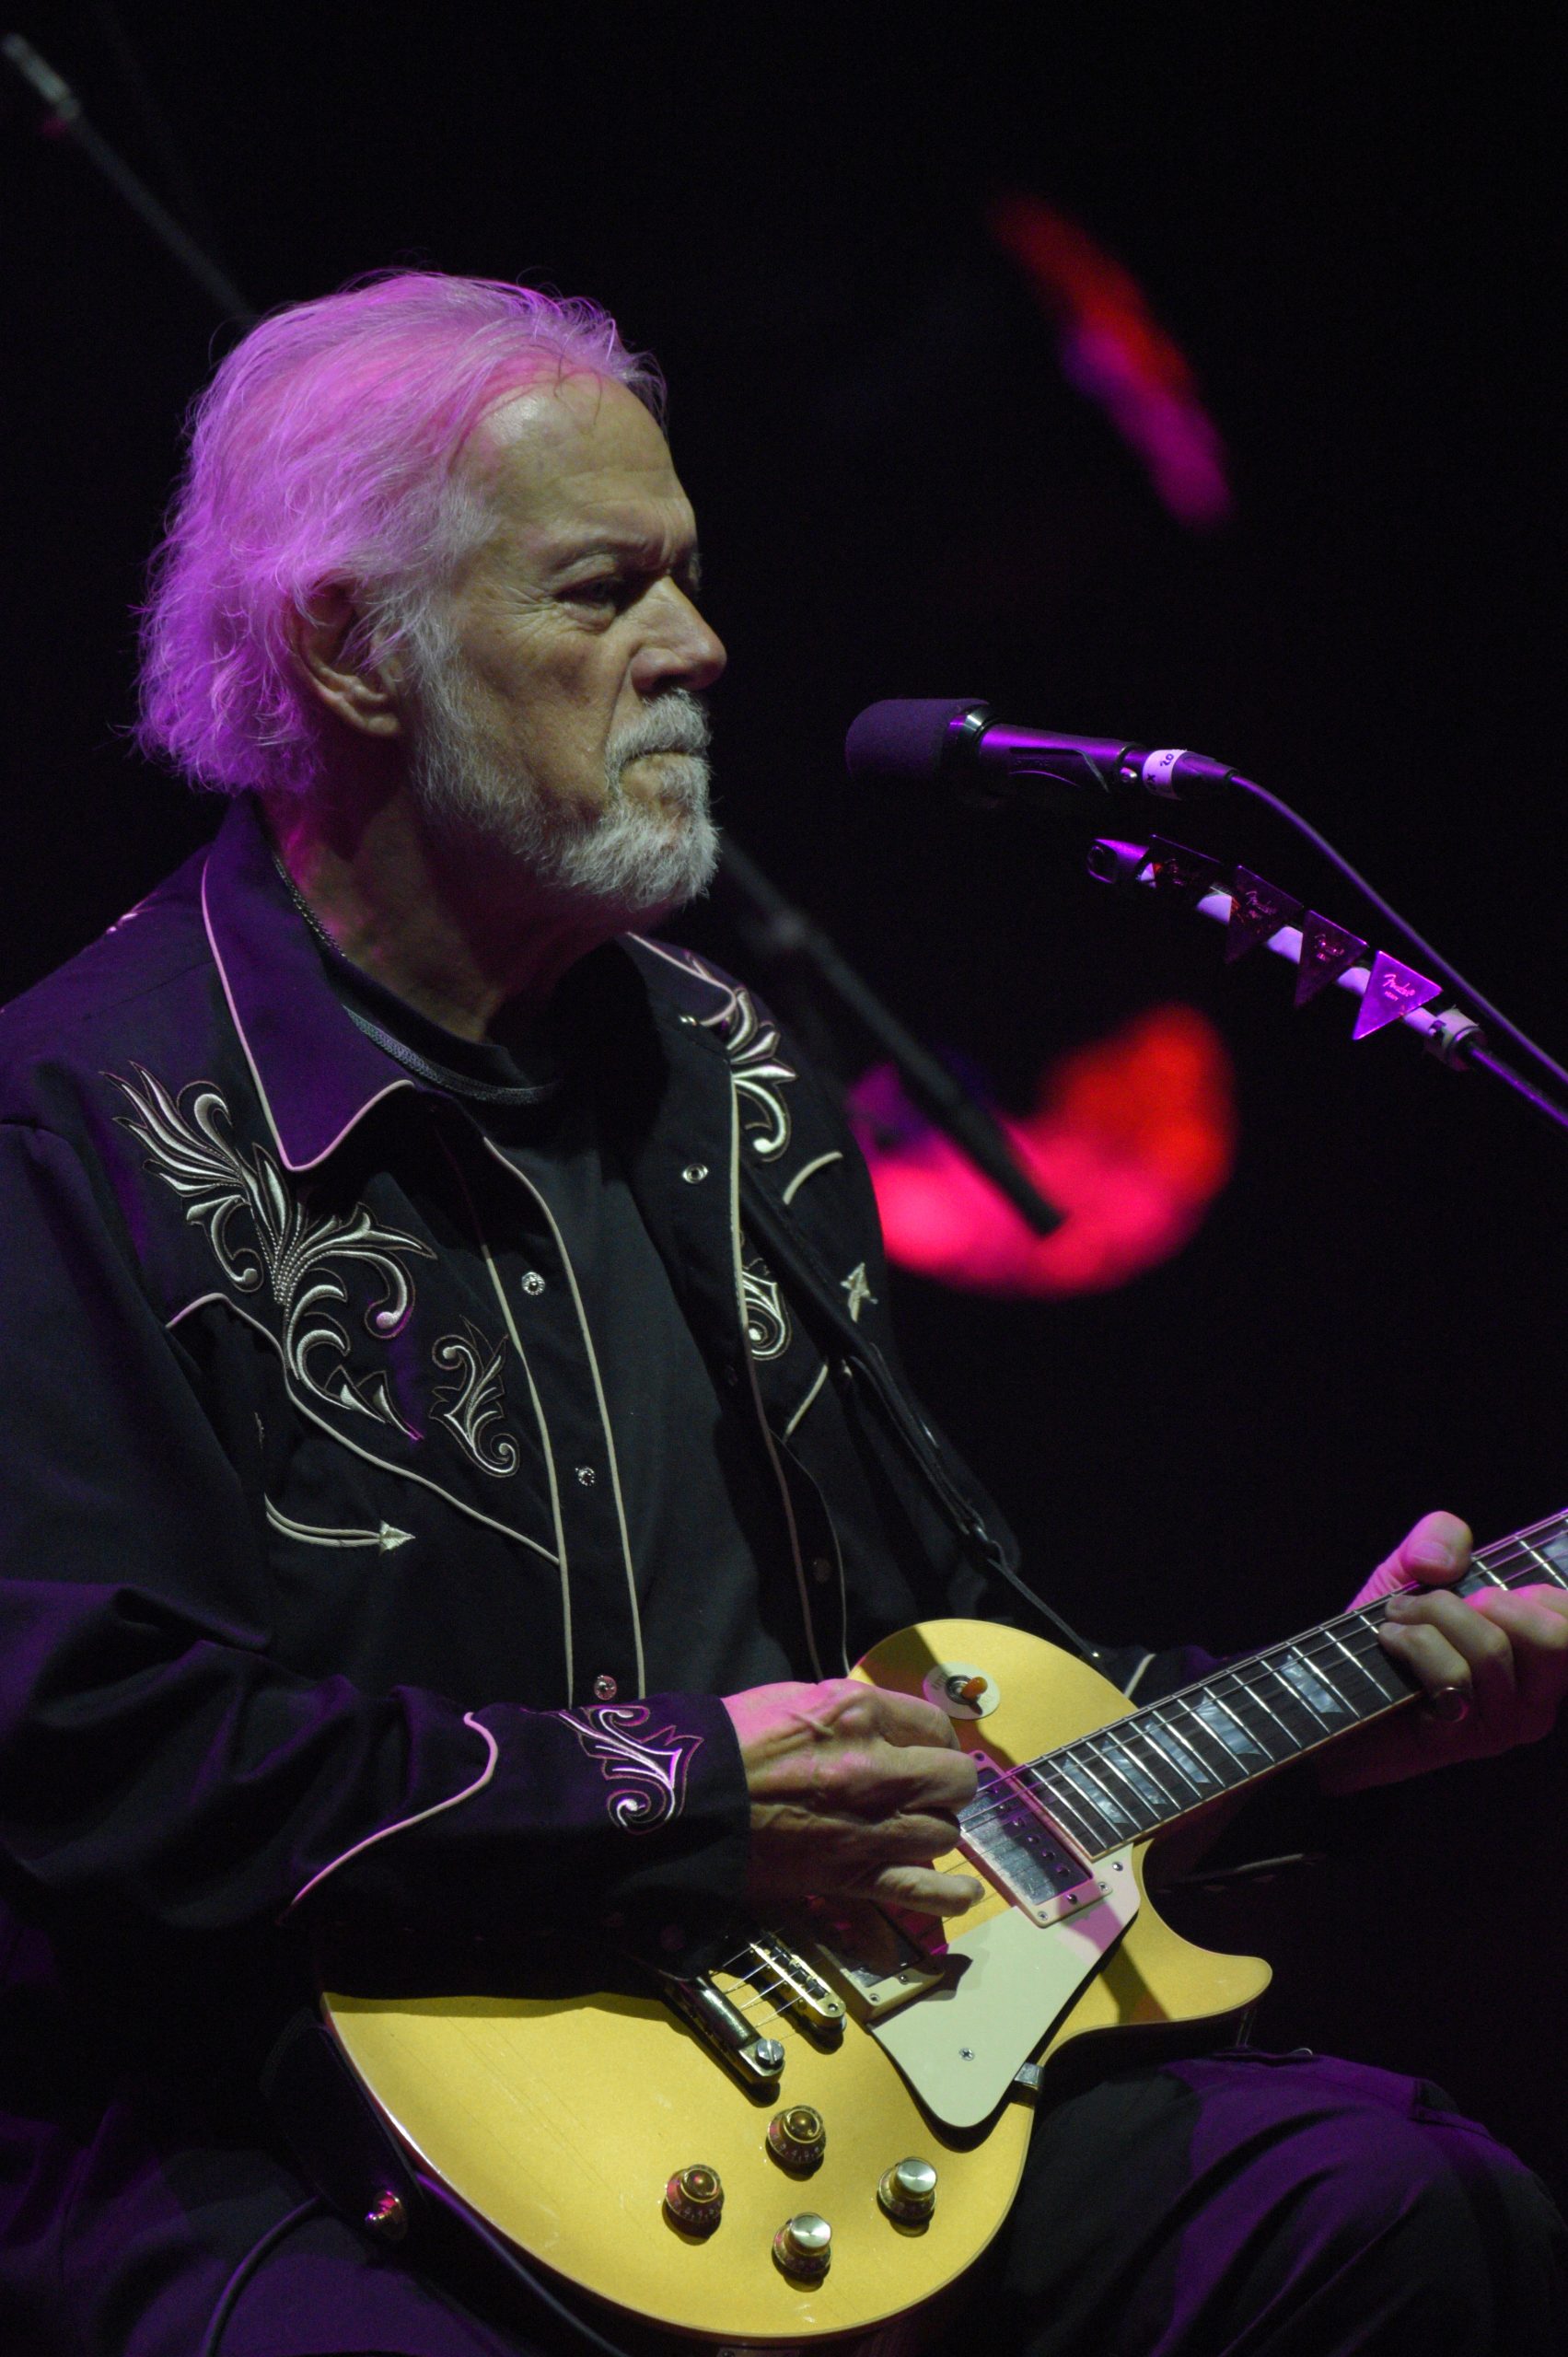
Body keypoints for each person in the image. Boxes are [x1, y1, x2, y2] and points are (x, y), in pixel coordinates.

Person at [0, 272, 1563, 2357]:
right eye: (605, 589)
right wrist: (674, 1793)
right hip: (270, 2143)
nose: (699, 646)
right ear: (347, 648)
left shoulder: (732, 1082)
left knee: (1394, 2215)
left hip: (805, 2074)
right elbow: (93, 1754)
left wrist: (1352, 1716)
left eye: (690, 577)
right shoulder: (74, 1123)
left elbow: (961, 1682)